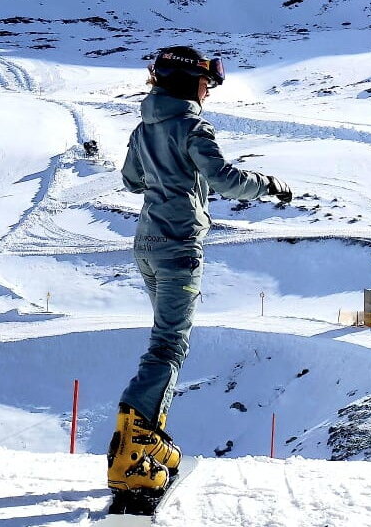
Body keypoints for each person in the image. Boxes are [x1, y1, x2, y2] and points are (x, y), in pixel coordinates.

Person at [108, 46, 292, 495]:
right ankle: (132, 451)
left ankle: (151, 446)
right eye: (207, 83)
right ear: (192, 81)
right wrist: (268, 185)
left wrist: (163, 169)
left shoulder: (143, 126)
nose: (208, 91)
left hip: (146, 245)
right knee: (168, 349)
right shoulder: (193, 125)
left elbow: (131, 180)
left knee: (164, 342)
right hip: (177, 248)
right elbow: (225, 179)